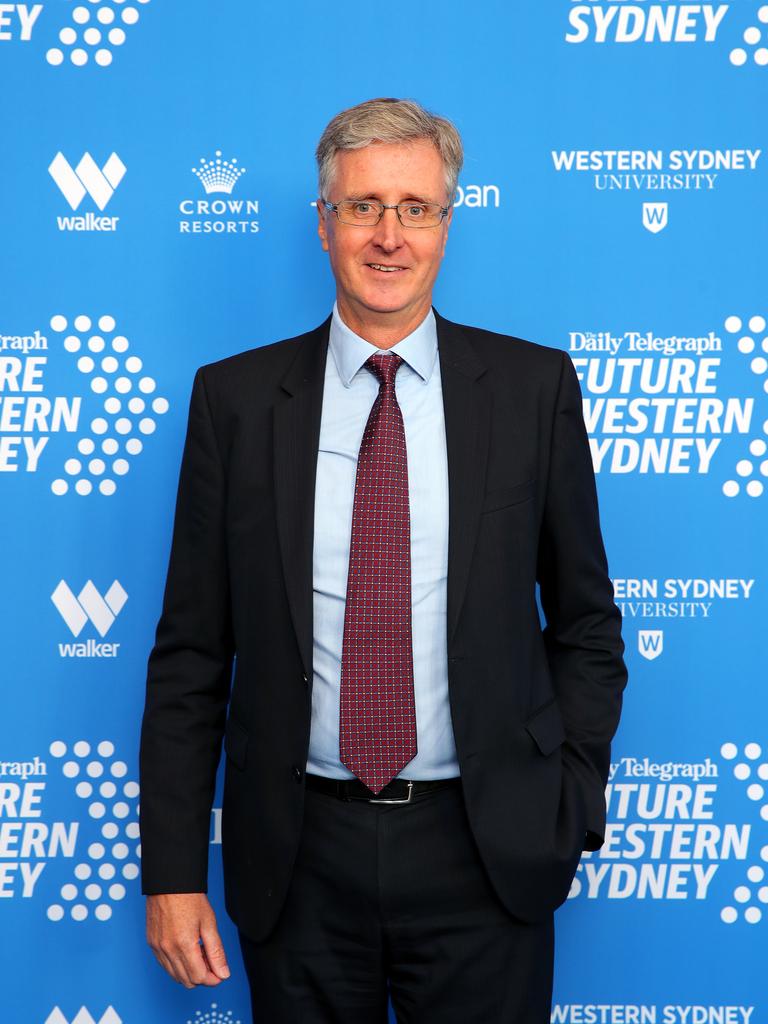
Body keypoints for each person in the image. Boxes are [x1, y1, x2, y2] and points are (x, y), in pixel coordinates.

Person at [139, 97, 628, 1023]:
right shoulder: (236, 403)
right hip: (298, 858)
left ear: (448, 222)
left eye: (415, 207)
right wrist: (170, 872)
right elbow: (191, 656)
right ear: (324, 225)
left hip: (486, 852)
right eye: (364, 206)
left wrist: (566, 808)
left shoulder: (532, 391)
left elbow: (587, 625)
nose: (389, 236)